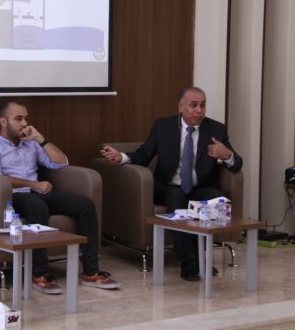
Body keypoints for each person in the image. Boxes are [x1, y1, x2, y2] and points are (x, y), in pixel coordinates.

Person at [0, 100, 120, 294]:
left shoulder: (30, 143)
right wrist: (33, 185)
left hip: (39, 192)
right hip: (11, 196)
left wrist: (40, 139)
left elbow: (61, 163)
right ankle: (40, 274)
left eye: (26, 118)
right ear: (3, 122)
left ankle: (91, 271)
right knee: (37, 206)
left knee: (84, 205)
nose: (24, 123)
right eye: (18, 119)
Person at [101, 86, 243, 281]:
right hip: (169, 187)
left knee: (215, 199)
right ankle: (187, 260)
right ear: (180, 107)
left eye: (203, 105)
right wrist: (122, 157)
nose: (199, 110)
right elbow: (144, 155)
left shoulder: (216, 129)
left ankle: (201, 257)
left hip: (202, 187)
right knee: (175, 196)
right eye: (193, 105)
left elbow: (237, 165)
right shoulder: (163, 127)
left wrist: (227, 155)